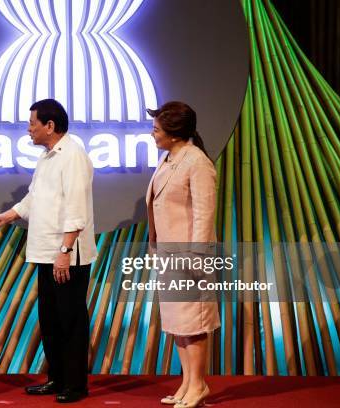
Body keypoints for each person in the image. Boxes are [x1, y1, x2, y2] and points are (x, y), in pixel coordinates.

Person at [0, 99, 97, 403]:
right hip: (45, 252)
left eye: (32, 123)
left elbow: (76, 210)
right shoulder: (47, 157)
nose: (28, 128)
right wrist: (4, 217)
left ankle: (75, 385)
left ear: (50, 126)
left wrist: (65, 250)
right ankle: (57, 378)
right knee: (50, 318)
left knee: (70, 319)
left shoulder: (73, 156)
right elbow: (33, 199)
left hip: (67, 254)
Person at [145, 101, 220, 408]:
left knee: (194, 322)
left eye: (157, 128)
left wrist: (196, 256)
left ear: (174, 134)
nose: (152, 133)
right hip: (168, 253)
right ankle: (188, 382)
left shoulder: (197, 162)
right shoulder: (169, 158)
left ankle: (199, 385)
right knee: (178, 324)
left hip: (189, 256)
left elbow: (205, 214)